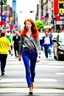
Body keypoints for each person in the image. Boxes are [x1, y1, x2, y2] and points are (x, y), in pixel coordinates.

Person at [18, 18, 40, 95]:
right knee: (27, 70)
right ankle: (30, 86)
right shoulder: (22, 33)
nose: (27, 25)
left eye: (28, 24)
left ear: (31, 25)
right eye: (26, 24)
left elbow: (38, 45)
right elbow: (20, 45)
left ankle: (32, 81)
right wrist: (19, 55)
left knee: (33, 71)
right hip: (25, 52)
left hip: (34, 52)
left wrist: (38, 55)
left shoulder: (36, 33)